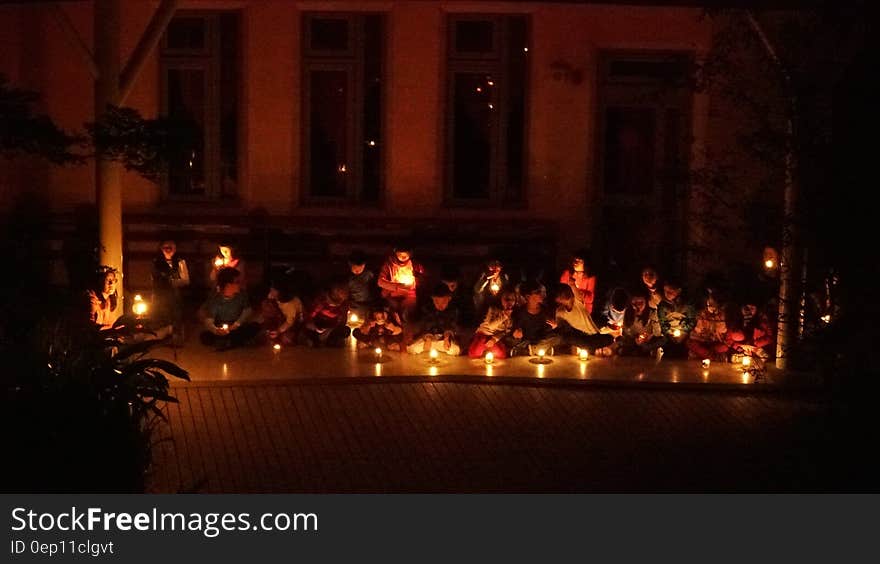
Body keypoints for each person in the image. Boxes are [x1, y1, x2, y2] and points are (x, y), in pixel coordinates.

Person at [199, 267, 260, 350]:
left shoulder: (242, 295)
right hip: (221, 327)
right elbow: (209, 319)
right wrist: (216, 330)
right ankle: (231, 342)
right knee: (205, 337)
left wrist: (236, 324)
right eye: (237, 282)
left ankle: (228, 342)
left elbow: (247, 310)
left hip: (236, 327)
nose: (240, 284)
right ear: (228, 285)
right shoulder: (216, 298)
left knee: (254, 327)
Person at [548, 284, 614, 354]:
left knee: (609, 338)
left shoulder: (577, 302)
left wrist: (572, 284)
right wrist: (556, 326)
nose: (564, 296)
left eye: (565, 293)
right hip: (580, 337)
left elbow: (575, 291)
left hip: (593, 335)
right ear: (557, 299)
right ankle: (590, 348)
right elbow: (561, 328)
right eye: (561, 294)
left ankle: (588, 348)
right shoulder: (560, 311)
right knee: (567, 338)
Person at [151, 240, 190, 343]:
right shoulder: (156, 262)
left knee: (175, 308)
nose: (168, 249)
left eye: (171, 247)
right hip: (161, 293)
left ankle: (176, 334)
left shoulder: (180, 262)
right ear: (161, 248)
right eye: (165, 247)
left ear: (175, 248)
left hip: (175, 293)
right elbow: (154, 278)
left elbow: (186, 280)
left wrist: (173, 282)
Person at [407, 284, 461, 356]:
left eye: (444, 301)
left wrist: (447, 337)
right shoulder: (427, 309)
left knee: (455, 350)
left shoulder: (453, 310)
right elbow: (425, 325)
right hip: (428, 340)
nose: (440, 305)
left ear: (449, 298)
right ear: (432, 299)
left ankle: (438, 346)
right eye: (437, 302)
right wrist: (428, 338)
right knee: (412, 348)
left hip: (443, 341)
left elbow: (452, 326)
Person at [377, 244, 424, 322]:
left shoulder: (415, 264)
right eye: (400, 254)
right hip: (392, 293)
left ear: (410, 254)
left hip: (409, 293)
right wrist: (397, 286)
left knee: (408, 313)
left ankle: (407, 326)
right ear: (395, 253)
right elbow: (380, 282)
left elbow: (422, 278)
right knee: (392, 311)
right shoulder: (389, 264)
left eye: (405, 254)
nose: (403, 257)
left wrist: (417, 279)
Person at [468, 287, 517, 359]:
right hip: (483, 334)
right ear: (501, 299)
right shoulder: (493, 309)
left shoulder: (511, 316)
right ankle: (478, 345)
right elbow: (490, 326)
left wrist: (494, 339)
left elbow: (505, 331)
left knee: (502, 354)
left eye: (513, 300)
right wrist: (504, 316)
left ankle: (488, 348)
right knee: (474, 354)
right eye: (507, 299)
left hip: (494, 337)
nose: (510, 302)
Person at [300, 278, 351, 348]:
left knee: (345, 330)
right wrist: (314, 326)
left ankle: (327, 341)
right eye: (331, 303)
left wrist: (329, 330)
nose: (332, 306)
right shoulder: (320, 301)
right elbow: (310, 315)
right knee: (306, 328)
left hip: (332, 327)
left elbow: (342, 321)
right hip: (318, 324)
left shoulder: (344, 305)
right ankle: (315, 340)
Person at [508, 281, 555, 356]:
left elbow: (548, 330)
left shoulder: (545, 311)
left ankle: (533, 349)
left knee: (555, 338)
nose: (542, 294)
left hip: (540, 341)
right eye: (538, 292)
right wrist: (516, 333)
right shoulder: (520, 312)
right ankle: (530, 349)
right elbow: (514, 330)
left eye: (542, 292)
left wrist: (554, 326)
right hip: (525, 341)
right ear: (527, 296)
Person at [615, 289, 664, 357]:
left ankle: (640, 349)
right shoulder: (628, 313)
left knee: (661, 340)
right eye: (634, 303)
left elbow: (657, 333)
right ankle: (636, 349)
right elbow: (625, 332)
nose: (637, 305)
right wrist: (635, 339)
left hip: (648, 340)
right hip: (633, 340)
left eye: (640, 302)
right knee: (619, 340)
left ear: (646, 302)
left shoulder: (652, 312)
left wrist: (649, 336)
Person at [657, 279, 697, 359]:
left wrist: (684, 332)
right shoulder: (662, 305)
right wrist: (669, 332)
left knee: (682, 352)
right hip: (669, 335)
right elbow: (662, 322)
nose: (667, 294)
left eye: (670, 291)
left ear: (679, 291)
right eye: (665, 291)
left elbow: (692, 320)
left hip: (684, 335)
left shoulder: (687, 305)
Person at [726, 297, 775, 362]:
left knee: (765, 357)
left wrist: (755, 344)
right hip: (741, 348)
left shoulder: (763, 320)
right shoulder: (736, 320)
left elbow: (770, 337)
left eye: (752, 308)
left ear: (757, 309)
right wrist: (739, 347)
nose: (748, 311)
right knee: (733, 358)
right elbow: (728, 339)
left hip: (757, 348)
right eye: (746, 308)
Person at [687, 289, 730, 361]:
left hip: (715, 343)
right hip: (701, 342)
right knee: (691, 344)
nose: (711, 306)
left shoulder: (723, 315)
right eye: (709, 303)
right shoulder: (701, 314)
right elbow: (696, 331)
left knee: (723, 347)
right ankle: (711, 356)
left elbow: (724, 333)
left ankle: (709, 355)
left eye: (714, 303)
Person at [259, 275, 303, 346]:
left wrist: (279, 331)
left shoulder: (291, 304)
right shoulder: (273, 299)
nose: (271, 292)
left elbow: (290, 322)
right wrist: (269, 300)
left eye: (273, 290)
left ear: (280, 292)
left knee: (286, 340)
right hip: (279, 319)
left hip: (293, 323)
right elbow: (267, 312)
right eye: (271, 290)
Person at [594, 287, 629, 356]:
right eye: (616, 311)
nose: (619, 313)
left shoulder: (627, 305)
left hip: (620, 330)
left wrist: (622, 327)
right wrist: (610, 325)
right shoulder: (607, 303)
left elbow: (629, 322)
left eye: (621, 311)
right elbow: (603, 316)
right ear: (612, 306)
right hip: (609, 327)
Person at [88, 266, 123, 330]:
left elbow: (111, 323)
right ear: (99, 281)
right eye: (108, 280)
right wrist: (113, 328)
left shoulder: (109, 300)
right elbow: (93, 328)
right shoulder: (92, 299)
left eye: (113, 280)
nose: (111, 284)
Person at [347, 249, 375, 320]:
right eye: (355, 268)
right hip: (354, 302)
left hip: (367, 301)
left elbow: (373, 286)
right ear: (350, 266)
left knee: (366, 315)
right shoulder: (349, 278)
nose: (358, 270)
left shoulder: (368, 274)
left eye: (360, 268)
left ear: (364, 266)